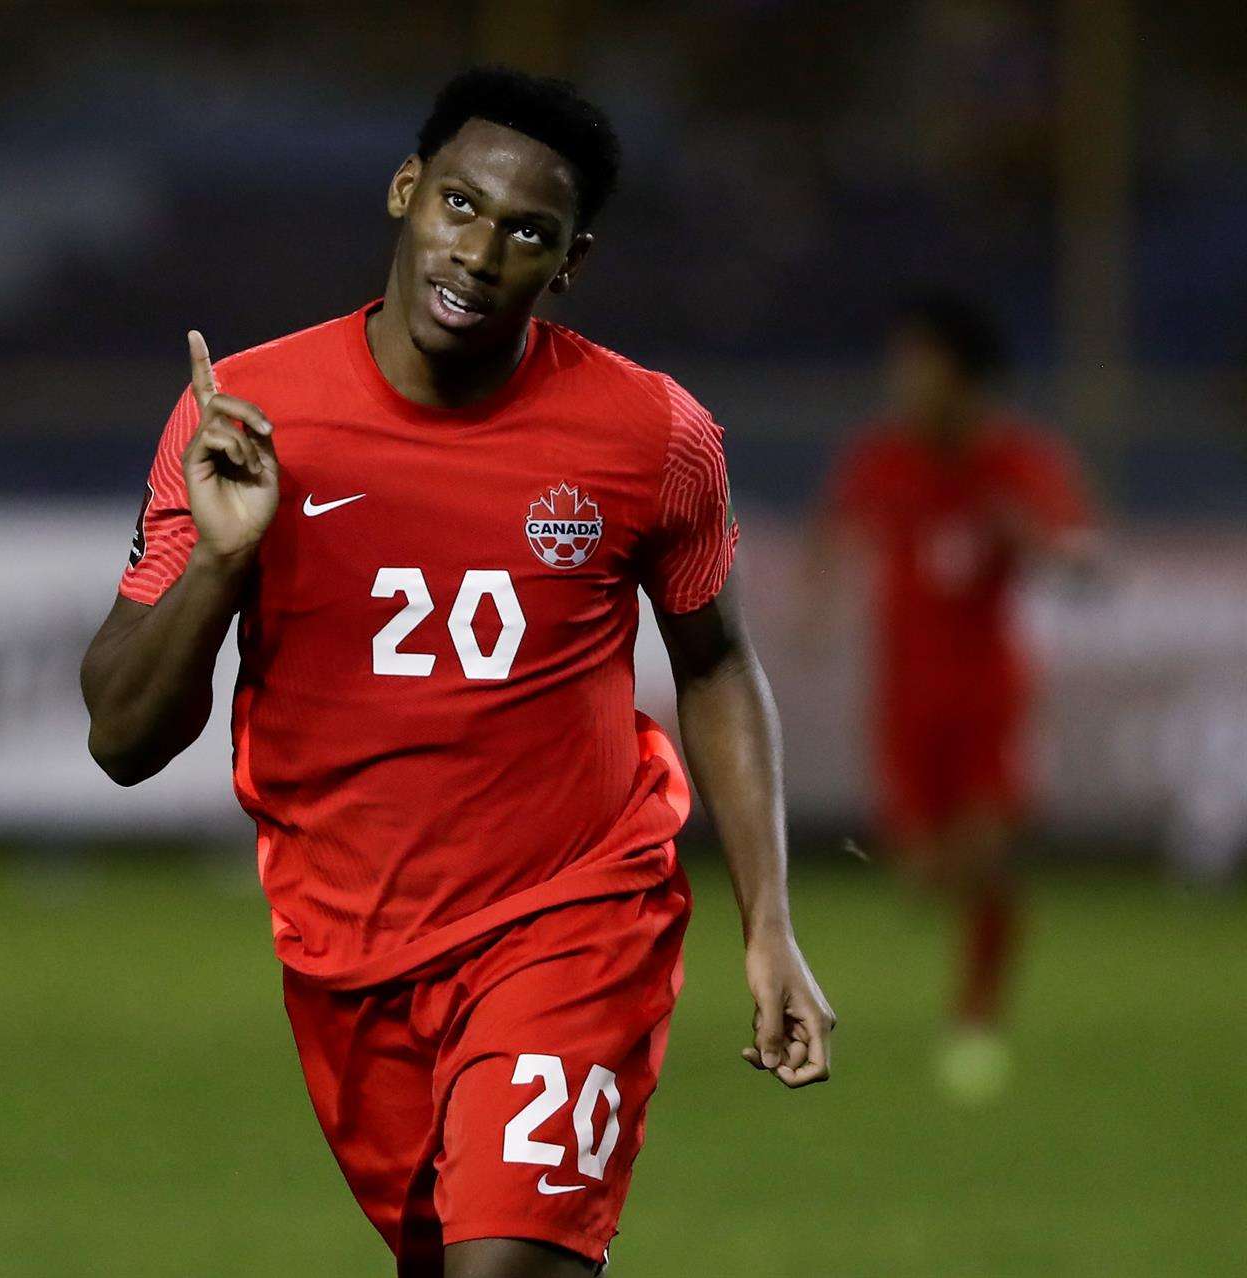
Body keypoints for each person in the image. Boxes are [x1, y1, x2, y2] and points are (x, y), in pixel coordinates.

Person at [81, 67, 833, 1277]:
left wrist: (770, 925)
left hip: (573, 917)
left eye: (529, 233)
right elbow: (121, 737)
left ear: (571, 260)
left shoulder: (651, 437)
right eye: (462, 207)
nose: (483, 254)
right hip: (348, 954)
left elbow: (717, 664)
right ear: (406, 194)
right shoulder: (247, 415)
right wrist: (224, 564)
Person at [814, 293, 1094, 1104]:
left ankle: (977, 1018)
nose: (903, 381)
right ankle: (984, 936)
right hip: (903, 701)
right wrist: (817, 598)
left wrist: (1050, 549)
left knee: (984, 853)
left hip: (987, 698)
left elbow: (1076, 548)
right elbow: (834, 532)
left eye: (920, 366)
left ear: (963, 378)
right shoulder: (884, 458)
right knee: (923, 874)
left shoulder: (1017, 461)